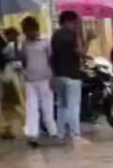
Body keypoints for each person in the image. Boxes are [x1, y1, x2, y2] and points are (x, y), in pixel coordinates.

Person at [51, 10, 87, 145]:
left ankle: (60, 134)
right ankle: (75, 135)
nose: (76, 25)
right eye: (75, 23)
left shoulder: (55, 36)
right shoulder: (72, 36)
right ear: (68, 22)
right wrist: (87, 39)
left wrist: (53, 76)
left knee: (61, 106)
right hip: (72, 76)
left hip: (58, 75)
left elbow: (53, 57)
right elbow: (81, 54)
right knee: (73, 107)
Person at [21, 16, 57, 148]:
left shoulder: (46, 41)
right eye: (24, 31)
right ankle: (32, 134)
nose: (26, 33)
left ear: (34, 29)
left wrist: (53, 77)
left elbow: (52, 60)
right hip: (30, 79)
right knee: (31, 107)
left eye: (27, 30)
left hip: (45, 78)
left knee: (47, 106)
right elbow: (24, 60)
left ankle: (52, 132)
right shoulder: (24, 43)